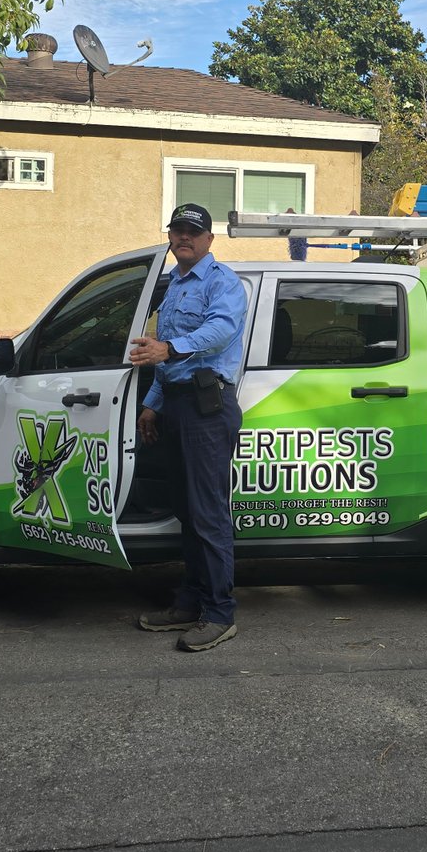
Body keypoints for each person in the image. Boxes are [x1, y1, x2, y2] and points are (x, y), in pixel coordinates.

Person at [128, 203, 248, 652]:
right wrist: (152, 406)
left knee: (209, 513)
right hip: (177, 405)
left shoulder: (223, 282)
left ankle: (220, 613)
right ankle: (191, 601)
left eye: (192, 232)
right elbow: (164, 360)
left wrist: (168, 348)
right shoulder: (173, 287)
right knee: (187, 512)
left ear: (209, 239)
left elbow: (219, 332)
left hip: (207, 408)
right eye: (177, 231)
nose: (184, 238)